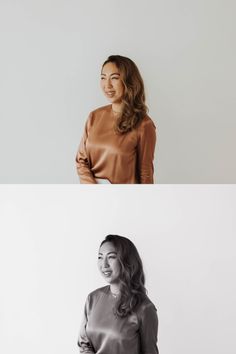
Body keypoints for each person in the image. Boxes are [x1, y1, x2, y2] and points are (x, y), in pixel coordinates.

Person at [75, 55, 156, 184]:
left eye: (114, 78)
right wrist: (93, 190)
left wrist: (145, 202)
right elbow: (81, 161)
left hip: (125, 200)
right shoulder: (94, 117)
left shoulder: (144, 125)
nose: (107, 85)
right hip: (91, 198)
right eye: (103, 78)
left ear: (128, 81)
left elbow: (145, 173)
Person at [77, 234, 159, 354]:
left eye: (111, 257)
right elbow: (84, 344)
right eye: (100, 257)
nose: (104, 265)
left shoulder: (144, 308)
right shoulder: (93, 298)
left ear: (126, 260)